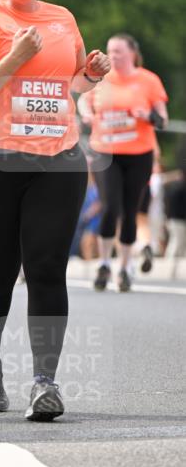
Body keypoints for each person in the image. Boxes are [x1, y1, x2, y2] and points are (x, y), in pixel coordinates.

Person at [0, 0, 110, 421]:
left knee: (45, 269)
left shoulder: (62, 19)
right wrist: (14, 58)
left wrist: (92, 76)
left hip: (56, 161)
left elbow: (66, 88)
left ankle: (45, 383)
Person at [82, 34, 168, 292]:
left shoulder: (148, 80)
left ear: (132, 52)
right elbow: (82, 101)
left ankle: (126, 267)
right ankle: (104, 263)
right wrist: (86, 114)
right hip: (105, 152)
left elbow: (162, 120)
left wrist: (149, 115)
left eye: (118, 51)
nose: (113, 55)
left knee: (130, 210)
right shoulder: (100, 79)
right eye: (110, 51)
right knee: (109, 207)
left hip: (139, 154)